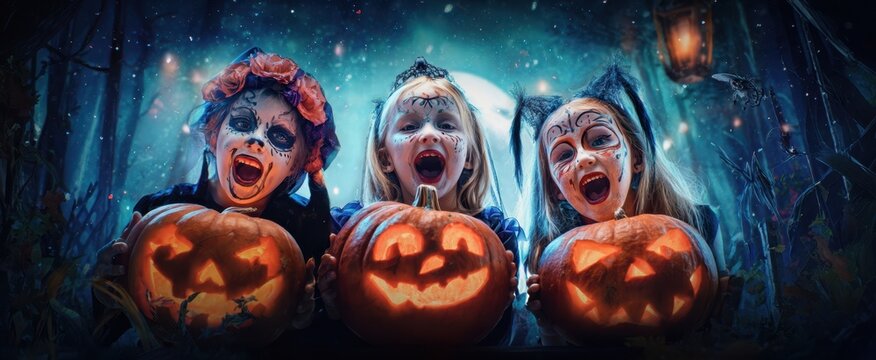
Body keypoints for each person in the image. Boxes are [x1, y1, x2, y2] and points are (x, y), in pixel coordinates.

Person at [92, 47, 340, 345]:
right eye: (243, 123)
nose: (255, 140)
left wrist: (305, 320)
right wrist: (106, 292)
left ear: (298, 164)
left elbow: (320, 340)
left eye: (279, 137)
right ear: (214, 133)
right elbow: (108, 334)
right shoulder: (159, 210)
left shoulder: (305, 229)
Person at [511, 63, 725, 345]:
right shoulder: (551, 260)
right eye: (564, 154)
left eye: (600, 139)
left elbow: (722, 326)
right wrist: (548, 326)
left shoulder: (698, 223)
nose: (583, 158)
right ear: (556, 189)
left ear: (636, 158)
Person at [319, 57, 521, 345]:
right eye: (410, 127)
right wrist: (331, 308)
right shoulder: (349, 230)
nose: (429, 134)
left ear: (471, 157)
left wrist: (502, 308)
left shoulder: (497, 236)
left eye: (447, 125)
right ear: (385, 157)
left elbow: (495, 340)